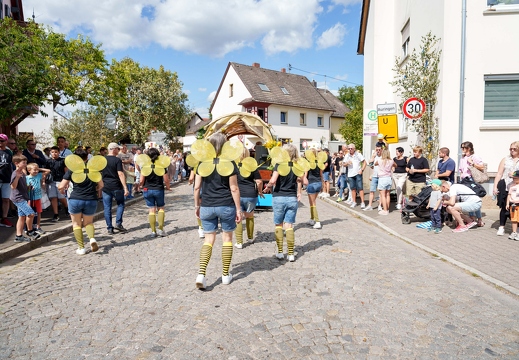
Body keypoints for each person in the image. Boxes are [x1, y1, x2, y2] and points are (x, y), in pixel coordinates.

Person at [194, 133, 241, 289]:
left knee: (208, 241)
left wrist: (197, 206)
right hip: (226, 205)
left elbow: (196, 187)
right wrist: (238, 209)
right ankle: (226, 275)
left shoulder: (202, 163)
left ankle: (201, 274)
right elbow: (234, 188)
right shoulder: (229, 162)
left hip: (207, 205)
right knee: (227, 239)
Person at [58, 149, 104, 255]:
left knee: (76, 224)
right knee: (88, 222)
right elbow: (101, 185)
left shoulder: (72, 170)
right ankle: (92, 238)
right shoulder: (93, 169)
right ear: (87, 158)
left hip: (76, 199)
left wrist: (62, 189)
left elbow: (61, 186)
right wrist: (95, 189)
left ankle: (81, 248)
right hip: (91, 199)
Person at [263, 143, 303, 262]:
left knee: (278, 224)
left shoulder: (279, 165)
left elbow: (273, 180)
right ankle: (291, 254)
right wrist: (299, 192)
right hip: (292, 198)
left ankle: (280, 252)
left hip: (279, 197)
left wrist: (267, 186)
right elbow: (301, 180)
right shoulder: (297, 166)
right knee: (289, 226)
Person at [138, 147, 171, 237]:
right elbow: (166, 179)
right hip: (158, 189)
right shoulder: (161, 165)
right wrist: (168, 187)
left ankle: (153, 231)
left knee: (151, 210)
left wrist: (140, 186)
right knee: (161, 208)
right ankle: (160, 229)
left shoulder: (145, 166)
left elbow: (141, 180)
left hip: (147, 189)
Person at [235, 148, 263, 248]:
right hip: (251, 195)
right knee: (250, 215)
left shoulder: (234, 166)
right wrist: (259, 191)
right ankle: (250, 238)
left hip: (238, 195)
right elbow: (259, 181)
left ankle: (239, 242)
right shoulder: (252, 166)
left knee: (238, 217)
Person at [10, 155, 41, 242]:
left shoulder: (22, 173)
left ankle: (19, 236)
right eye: (24, 163)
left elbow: (23, 185)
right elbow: (13, 186)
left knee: (22, 217)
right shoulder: (15, 173)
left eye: (26, 162)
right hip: (18, 198)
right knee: (31, 214)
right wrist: (17, 177)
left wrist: (29, 187)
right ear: (16, 163)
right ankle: (30, 231)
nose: (25, 164)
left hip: (23, 197)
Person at [101, 143, 129, 235]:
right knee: (120, 204)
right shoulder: (117, 160)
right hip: (116, 186)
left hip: (106, 186)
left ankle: (109, 228)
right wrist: (125, 187)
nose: (118, 150)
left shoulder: (102, 160)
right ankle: (118, 223)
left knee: (107, 207)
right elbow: (120, 174)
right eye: (118, 149)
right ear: (113, 149)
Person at [494, 141, 519, 236]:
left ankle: (516, 229)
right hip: (505, 185)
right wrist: (495, 186)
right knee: (504, 207)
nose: (512, 151)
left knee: (517, 207)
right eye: (510, 149)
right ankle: (501, 227)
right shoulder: (505, 159)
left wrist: (515, 175)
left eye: (514, 149)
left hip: (517, 187)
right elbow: (499, 173)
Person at [459, 141, 485, 227]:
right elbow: (461, 170)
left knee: (474, 199)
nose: (462, 149)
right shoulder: (462, 158)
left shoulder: (474, 156)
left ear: (469, 148)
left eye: (463, 148)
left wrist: (472, 163)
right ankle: (472, 219)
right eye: (461, 148)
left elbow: (482, 167)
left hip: (472, 179)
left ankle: (479, 219)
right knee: (468, 199)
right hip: (464, 180)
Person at [26, 163, 50, 235]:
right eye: (34, 170)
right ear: (29, 170)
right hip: (30, 198)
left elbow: (48, 171)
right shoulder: (26, 178)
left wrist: (38, 168)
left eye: (37, 170)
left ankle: (38, 226)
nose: (36, 171)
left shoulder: (39, 175)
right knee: (30, 213)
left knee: (39, 212)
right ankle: (29, 227)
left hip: (38, 198)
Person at [46, 146, 68, 222]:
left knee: (61, 197)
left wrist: (66, 181)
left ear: (59, 152)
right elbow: (46, 171)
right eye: (52, 152)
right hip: (51, 181)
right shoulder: (48, 161)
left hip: (61, 181)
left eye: (56, 152)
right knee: (53, 197)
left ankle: (66, 207)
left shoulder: (62, 161)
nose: (54, 154)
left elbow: (66, 171)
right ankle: (56, 214)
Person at [303, 148, 323, 229]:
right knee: (311, 202)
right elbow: (321, 174)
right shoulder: (319, 162)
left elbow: (306, 173)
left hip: (311, 183)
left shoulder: (308, 163)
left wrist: (303, 181)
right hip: (318, 183)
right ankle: (312, 219)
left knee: (313, 203)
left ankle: (317, 221)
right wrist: (322, 185)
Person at [344, 144, 366, 208]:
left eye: (351, 148)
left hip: (357, 173)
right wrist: (346, 163)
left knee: (360, 188)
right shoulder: (347, 155)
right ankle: (354, 202)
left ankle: (362, 202)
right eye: (349, 149)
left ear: (354, 149)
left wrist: (362, 170)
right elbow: (344, 164)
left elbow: (364, 162)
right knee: (352, 189)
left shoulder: (358, 154)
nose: (350, 150)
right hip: (350, 174)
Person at [0, 133, 14, 228]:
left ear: (6, 142)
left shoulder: (9, 152)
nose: (0, 143)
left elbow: (12, 165)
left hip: (6, 178)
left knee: (6, 199)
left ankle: (4, 218)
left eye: (2, 141)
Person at [364, 145, 382, 211]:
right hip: (374, 176)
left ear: (382, 150)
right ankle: (370, 205)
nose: (378, 151)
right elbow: (371, 166)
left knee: (380, 192)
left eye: (379, 150)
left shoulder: (383, 157)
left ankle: (380, 205)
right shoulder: (375, 157)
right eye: (376, 150)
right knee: (372, 191)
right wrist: (372, 157)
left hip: (381, 176)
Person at [376, 149, 394, 215]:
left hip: (382, 179)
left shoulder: (380, 160)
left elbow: (374, 164)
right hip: (389, 178)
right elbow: (395, 165)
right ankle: (388, 208)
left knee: (382, 195)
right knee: (388, 194)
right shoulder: (391, 161)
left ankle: (385, 210)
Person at [506, 171, 519, 240]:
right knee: (514, 220)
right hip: (513, 205)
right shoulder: (512, 186)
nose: (514, 180)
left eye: (516, 178)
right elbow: (509, 195)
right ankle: (514, 232)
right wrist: (507, 204)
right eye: (513, 178)